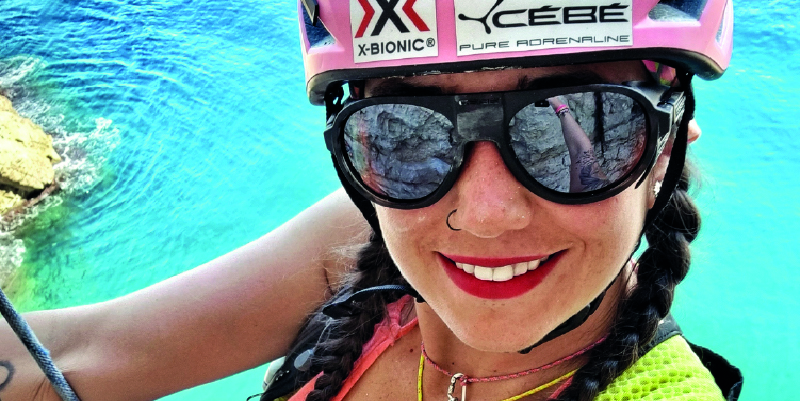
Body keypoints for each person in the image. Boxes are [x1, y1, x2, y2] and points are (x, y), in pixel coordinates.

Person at [0, 0, 742, 400]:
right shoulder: (368, 243)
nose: (484, 213)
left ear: (668, 146)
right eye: (404, 132)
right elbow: (70, 357)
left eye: (577, 124)